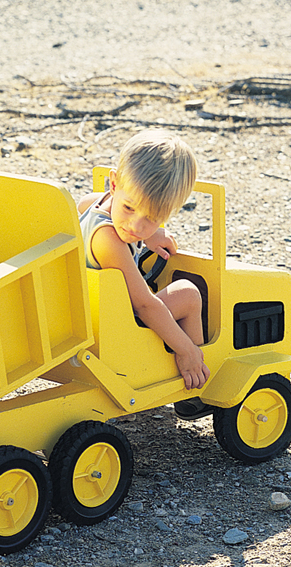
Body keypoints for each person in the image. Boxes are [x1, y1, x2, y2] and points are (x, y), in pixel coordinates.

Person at [78, 130, 211, 417]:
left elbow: (119, 218)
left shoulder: (92, 204)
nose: (136, 227)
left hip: (92, 315)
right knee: (188, 293)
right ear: (114, 183)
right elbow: (144, 305)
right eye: (129, 209)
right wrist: (186, 348)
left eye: (152, 218)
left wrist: (149, 236)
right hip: (116, 327)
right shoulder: (109, 241)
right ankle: (194, 375)